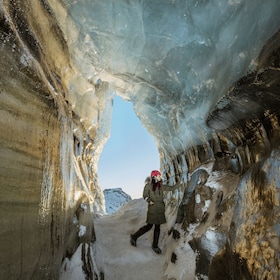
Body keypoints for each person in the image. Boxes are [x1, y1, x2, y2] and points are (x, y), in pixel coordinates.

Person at [130, 170, 182, 254]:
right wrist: (149, 200)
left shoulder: (161, 186)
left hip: (160, 209)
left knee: (157, 227)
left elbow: (171, 188)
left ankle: (155, 245)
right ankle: (134, 236)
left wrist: (179, 184)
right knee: (149, 226)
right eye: (158, 175)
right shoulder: (148, 186)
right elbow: (145, 195)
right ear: (154, 176)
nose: (160, 177)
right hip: (153, 209)